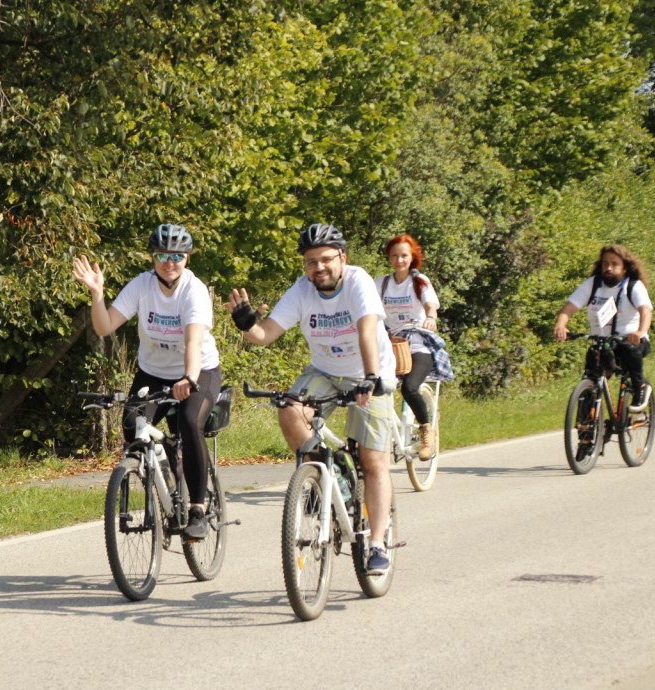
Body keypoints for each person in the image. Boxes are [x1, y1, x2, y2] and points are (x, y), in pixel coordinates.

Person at [228, 223, 397, 574]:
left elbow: (366, 330)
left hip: (370, 370)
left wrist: (370, 378)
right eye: (311, 262)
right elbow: (266, 334)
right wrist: (247, 325)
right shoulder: (302, 290)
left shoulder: (359, 282)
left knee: (373, 460)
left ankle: (378, 543)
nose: (319, 267)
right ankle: (329, 475)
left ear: (342, 258)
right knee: (290, 410)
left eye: (326, 259)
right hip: (324, 371)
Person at [73, 223, 222, 540]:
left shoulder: (193, 290)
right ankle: (170, 467)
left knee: (189, 423)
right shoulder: (141, 286)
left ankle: (197, 508)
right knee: (132, 426)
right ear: (152, 257)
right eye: (162, 255)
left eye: (177, 256)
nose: (170, 263)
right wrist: (97, 295)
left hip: (198, 371)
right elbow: (104, 327)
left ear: (187, 258)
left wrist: (189, 378)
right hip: (152, 373)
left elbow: (193, 342)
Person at [553, 244, 653, 410]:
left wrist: (641, 332)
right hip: (602, 341)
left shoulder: (633, 286)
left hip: (629, 340)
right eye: (605, 263)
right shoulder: (593, 284)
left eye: (614, 264)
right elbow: (568, 308)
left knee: (629, 350)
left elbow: (645, 311)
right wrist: (560, 325)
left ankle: (639, 388)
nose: (609, 268)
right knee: (591, 377)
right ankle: (586, 421)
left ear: (625, 268)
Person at [376, 234, 441, 460]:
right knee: (375, 387)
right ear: (389, 257)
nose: (399, 260)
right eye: (394, 256)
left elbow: (430, 305)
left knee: (410, 388)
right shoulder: (382, 283)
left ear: (412, 257)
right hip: (391, 344)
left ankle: (426, 431)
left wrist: (430, 318)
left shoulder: (419, 281)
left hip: (418, 343)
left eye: (404, 255)